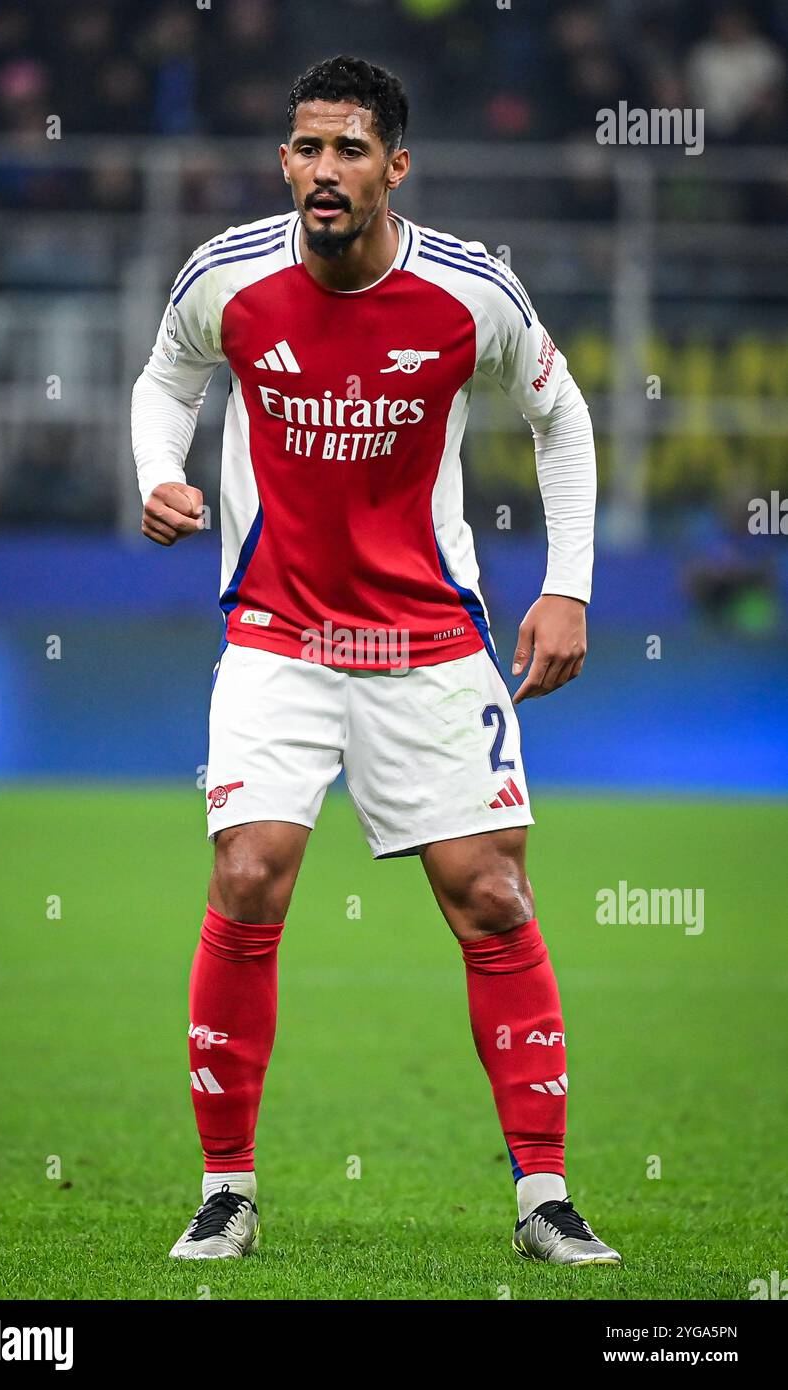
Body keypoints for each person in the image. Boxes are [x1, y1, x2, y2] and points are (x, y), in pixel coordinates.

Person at [131, 54, 620, 1267]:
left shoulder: (470, 292)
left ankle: (543, 1196)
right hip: (277, 636)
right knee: (249, 872)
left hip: (426, 641)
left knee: (490, 893)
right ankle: (226, 1191)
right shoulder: (225, 275)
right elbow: (165, 377)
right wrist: (157, 471)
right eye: (306, 147)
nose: (323, 169)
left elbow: (560, 417)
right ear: (283, 161)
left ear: (394, 167)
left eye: (348, 149)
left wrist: (566, 585)